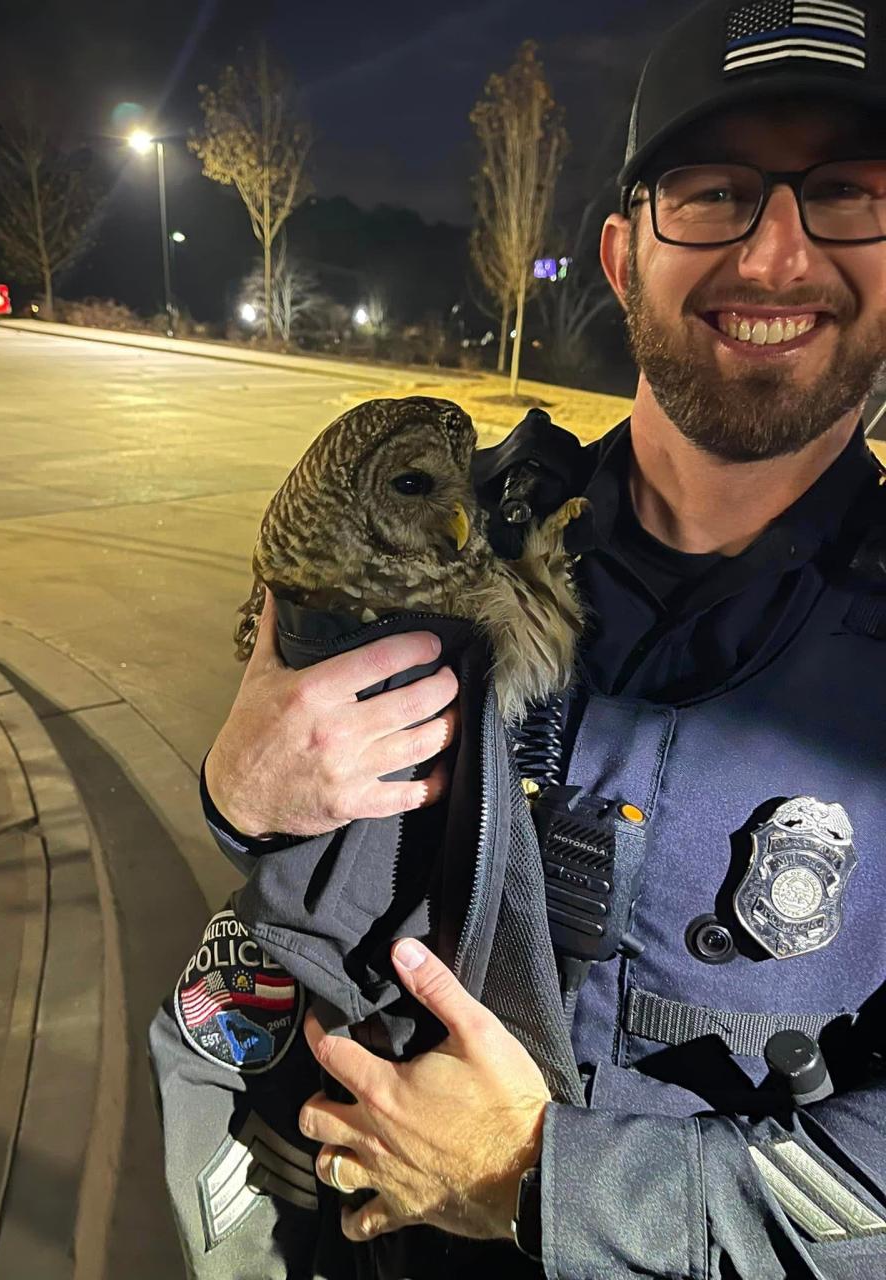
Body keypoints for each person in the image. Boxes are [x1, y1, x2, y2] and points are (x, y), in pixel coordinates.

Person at [149, 1, 886, 1275]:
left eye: (847, 193)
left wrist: (543, 1180)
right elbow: (268, 963)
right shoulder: (431, 535)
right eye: (713, 193)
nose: (776, 258)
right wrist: (243, 799)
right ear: (619, 254)